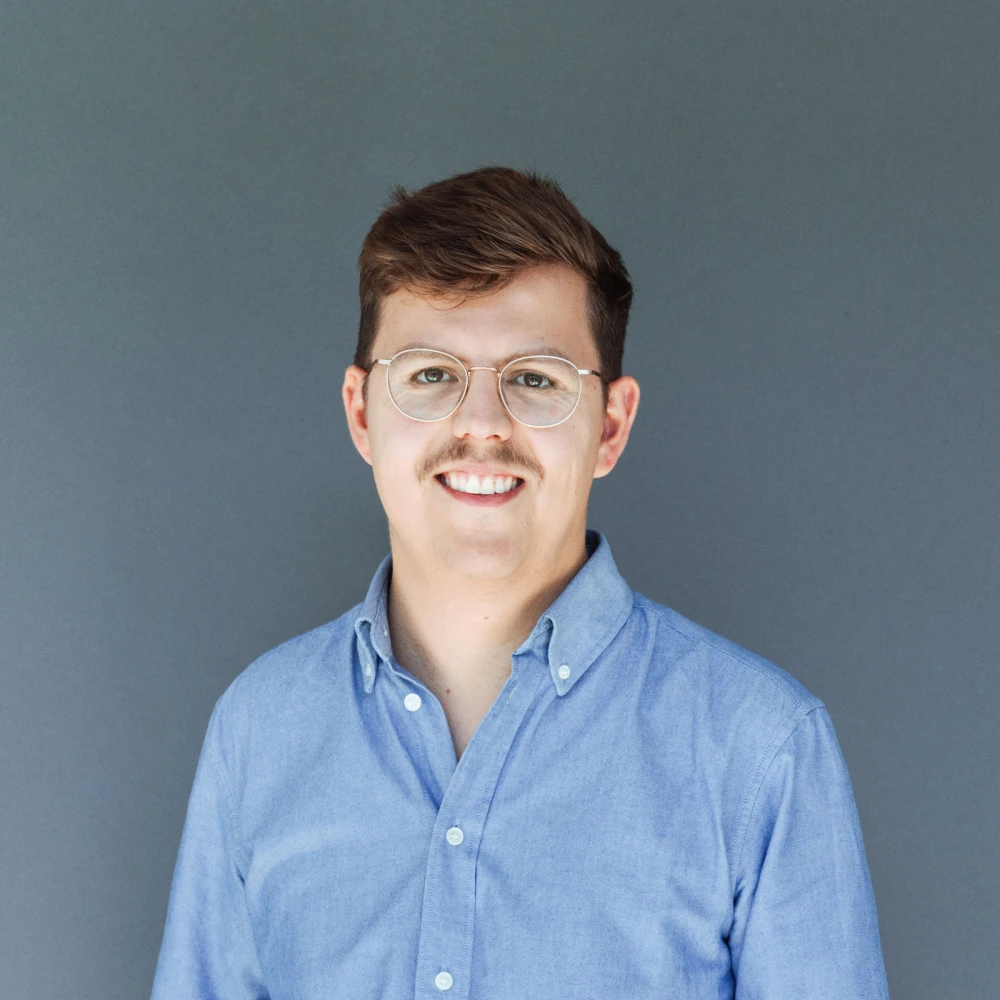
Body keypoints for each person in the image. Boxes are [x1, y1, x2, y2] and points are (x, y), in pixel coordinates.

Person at [150, 166, 890, 998]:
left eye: (534, 379)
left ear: (609, 427)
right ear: (363, 414)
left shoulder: (758, 748)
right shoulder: (260, 731)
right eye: (430, 374)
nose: (481, 425)